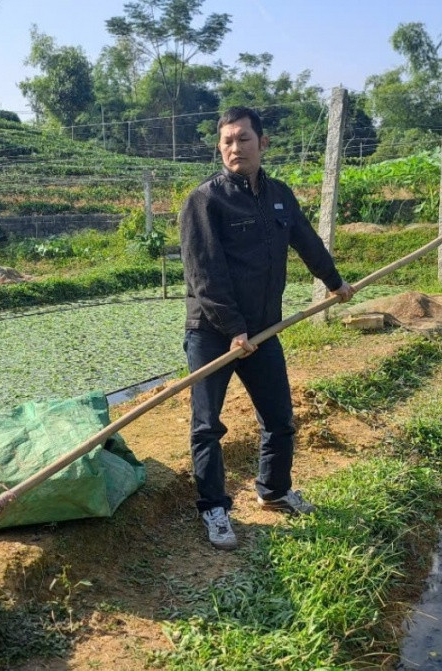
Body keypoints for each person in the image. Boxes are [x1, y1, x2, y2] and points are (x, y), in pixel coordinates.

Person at [179, 106, 356, 550]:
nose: (235, 148)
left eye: (242, 139)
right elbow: (204, 275)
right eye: (227, 142)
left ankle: (273, 490)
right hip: (213, 330)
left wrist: (334, 282)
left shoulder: (280, 196)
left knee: (278, 418)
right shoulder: (206, 200)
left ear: (263, 143)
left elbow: (307, 241)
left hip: (263, 328)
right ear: (220, 148)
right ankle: (215, 508)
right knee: (208, 425)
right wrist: (234, 328)